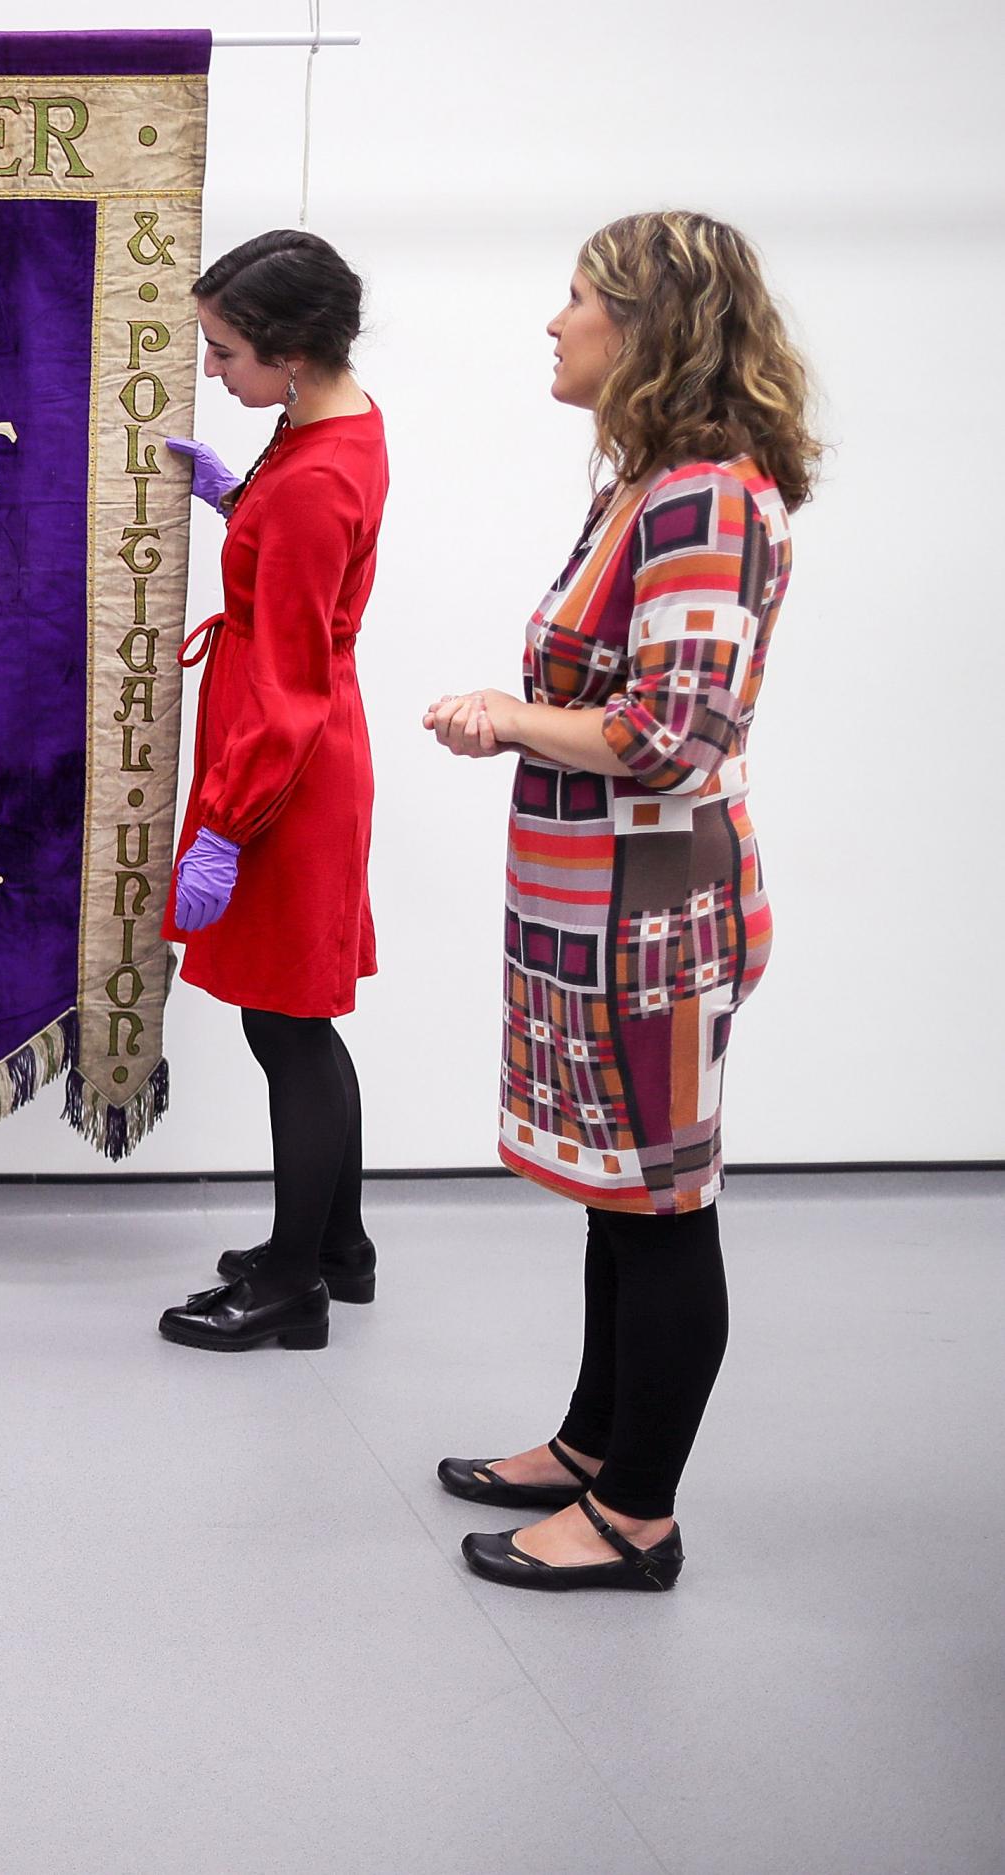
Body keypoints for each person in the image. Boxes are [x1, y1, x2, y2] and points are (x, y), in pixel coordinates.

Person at [424, 210, 815, 1591]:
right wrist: (530, 718)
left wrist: (507, 715)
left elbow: (673, 734)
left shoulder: (707, 497)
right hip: (595, 912)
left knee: (662, 1207)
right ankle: (596, 1440)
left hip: (649, 920)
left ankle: (638, 1513)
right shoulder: (650, 484)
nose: (554, 319)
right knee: (618, 1199)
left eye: (577, 296)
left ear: (649, 328)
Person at [151, 231, 387, 1355]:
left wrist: (227, 830)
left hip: (282, 769)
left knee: (287, 1024)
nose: (214, 372)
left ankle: (294, 1283)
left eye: (226, 351)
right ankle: (335, 1242)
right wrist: (240, 500)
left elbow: (288, 686)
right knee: (296, 1017)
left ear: (291, 351)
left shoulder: (314, 475)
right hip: (298, 752)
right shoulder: (330, 427)